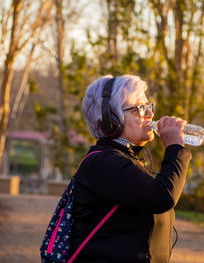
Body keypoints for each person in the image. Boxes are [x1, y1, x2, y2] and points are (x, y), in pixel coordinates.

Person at [71, 74, 192, 263]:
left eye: (149, 107)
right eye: (141, 109)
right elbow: (163, 196)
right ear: (111, 121)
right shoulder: (103, 163)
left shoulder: (125, 160)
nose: (151, 115)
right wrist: (175, 147)